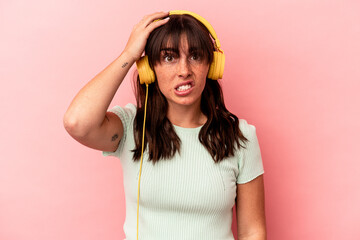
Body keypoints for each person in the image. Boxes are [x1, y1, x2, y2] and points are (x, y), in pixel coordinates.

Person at [63, 11, 266, 240]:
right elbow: (76, 122)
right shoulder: (131, 128)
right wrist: (129, 54)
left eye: (195, 56)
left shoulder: (241, 137)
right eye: (169, 58)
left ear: (212, 65)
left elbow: (252, 231)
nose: (184, 71)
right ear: (149, 70)